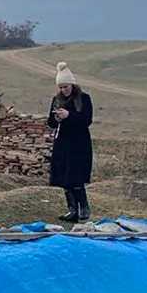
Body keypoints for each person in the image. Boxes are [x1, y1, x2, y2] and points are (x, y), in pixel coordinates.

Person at [49, 64, 95, 223]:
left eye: (66, 86)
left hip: (79, 144)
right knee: (64, 178)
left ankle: (83, 207)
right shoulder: (57, 100)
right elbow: (51, 122)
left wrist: (69, 115)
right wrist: (57, 118)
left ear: (72, 85)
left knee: (75, 177)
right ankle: (72, 209)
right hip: (62, 143)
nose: (64, 90)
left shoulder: (84, 99)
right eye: (61, 87)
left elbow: (86, 120)